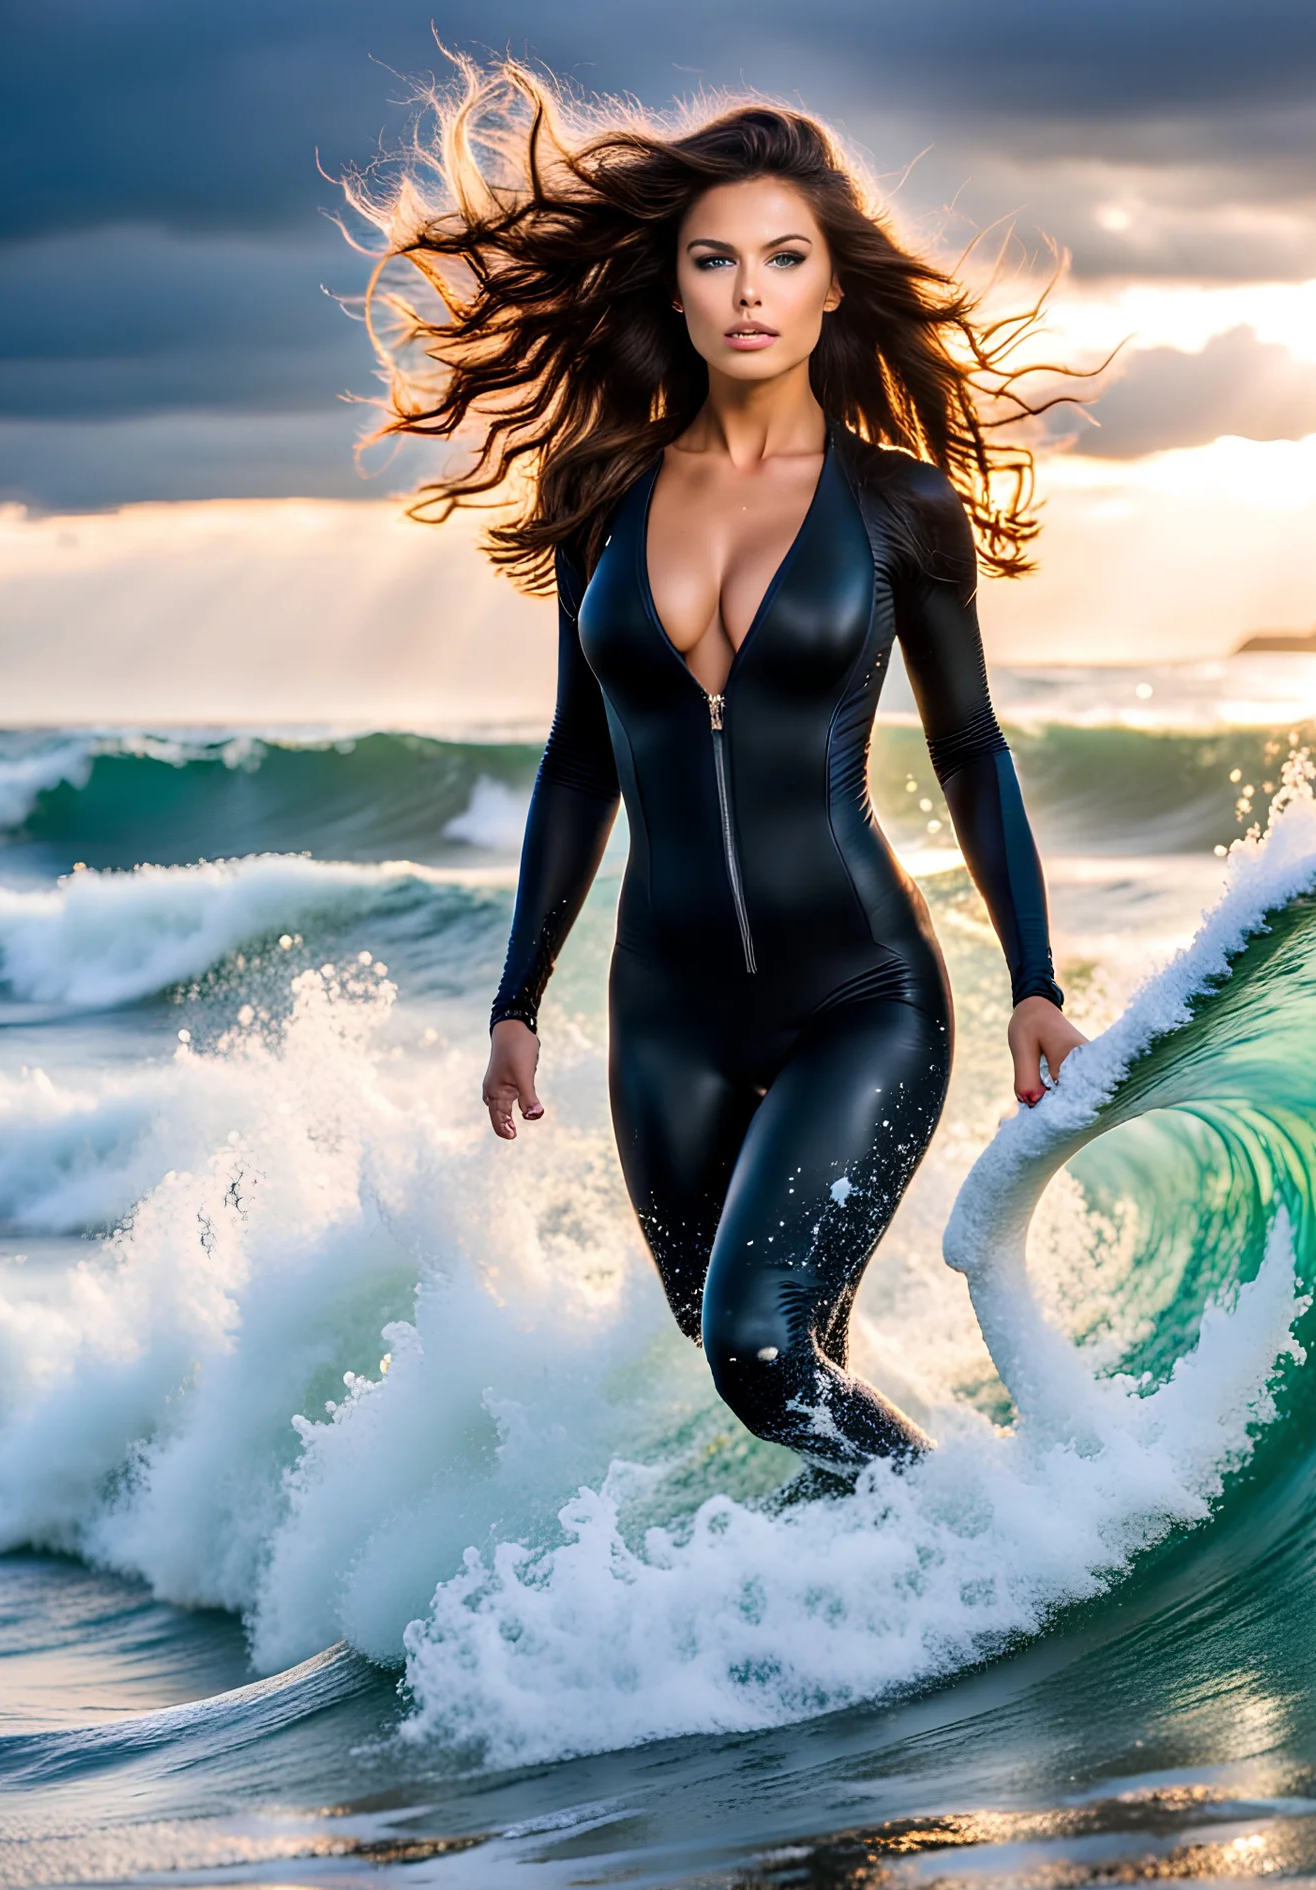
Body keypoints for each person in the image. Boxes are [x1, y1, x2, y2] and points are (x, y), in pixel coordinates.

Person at [356, 68, 1087, 1479]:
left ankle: (990, 1544)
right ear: (676, 289)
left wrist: (1034, 980)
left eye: (784, 258)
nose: (749, 291)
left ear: (829, 289)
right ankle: (892, 1647)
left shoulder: (899, 506)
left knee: (759, 1353)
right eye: (715, 259)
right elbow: (581, 762)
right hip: (666, 1018)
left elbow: (969, 748)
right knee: (755, 1344)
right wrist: (516, 1003)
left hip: (861, 994)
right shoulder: (599, 498)